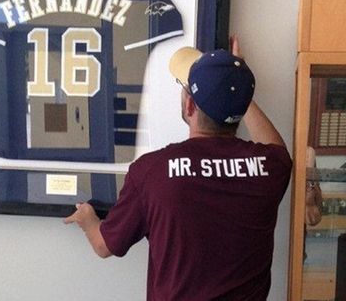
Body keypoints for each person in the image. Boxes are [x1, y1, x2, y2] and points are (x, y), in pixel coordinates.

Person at [64, 37, 293, 300]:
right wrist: (235, 87)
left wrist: (88, 220)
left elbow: (105, 246)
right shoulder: (271, 168)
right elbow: (276, 146)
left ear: (189, 105)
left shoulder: (151, 172)